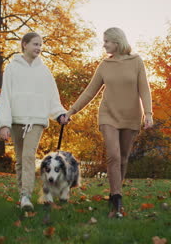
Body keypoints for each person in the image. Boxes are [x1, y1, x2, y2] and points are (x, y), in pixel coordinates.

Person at [64, 27, 153, 218]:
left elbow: (144, 89)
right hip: (108, 115)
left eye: (106, 41)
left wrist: (148, 113)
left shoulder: (136, 62)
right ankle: (117, 198)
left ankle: (114, 194)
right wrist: (71, 110)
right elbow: (90, 92)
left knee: (123, 158)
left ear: (117, 41)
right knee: (113, 155)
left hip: (131, 116)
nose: (103, 44)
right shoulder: (104, 65)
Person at [0, 32, 67, 211]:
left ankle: (26, 196)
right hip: (16, 120)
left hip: (36, 120)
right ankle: (23, 194)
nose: (38, 48)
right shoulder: (12, 69)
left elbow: (52, 96)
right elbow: (5, 96)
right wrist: (4, 123)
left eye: (40, 45)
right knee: (20, 160)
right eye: (35, 44)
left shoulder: (44, 71)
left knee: (28, 156)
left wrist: (59, 113)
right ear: (24, 45)